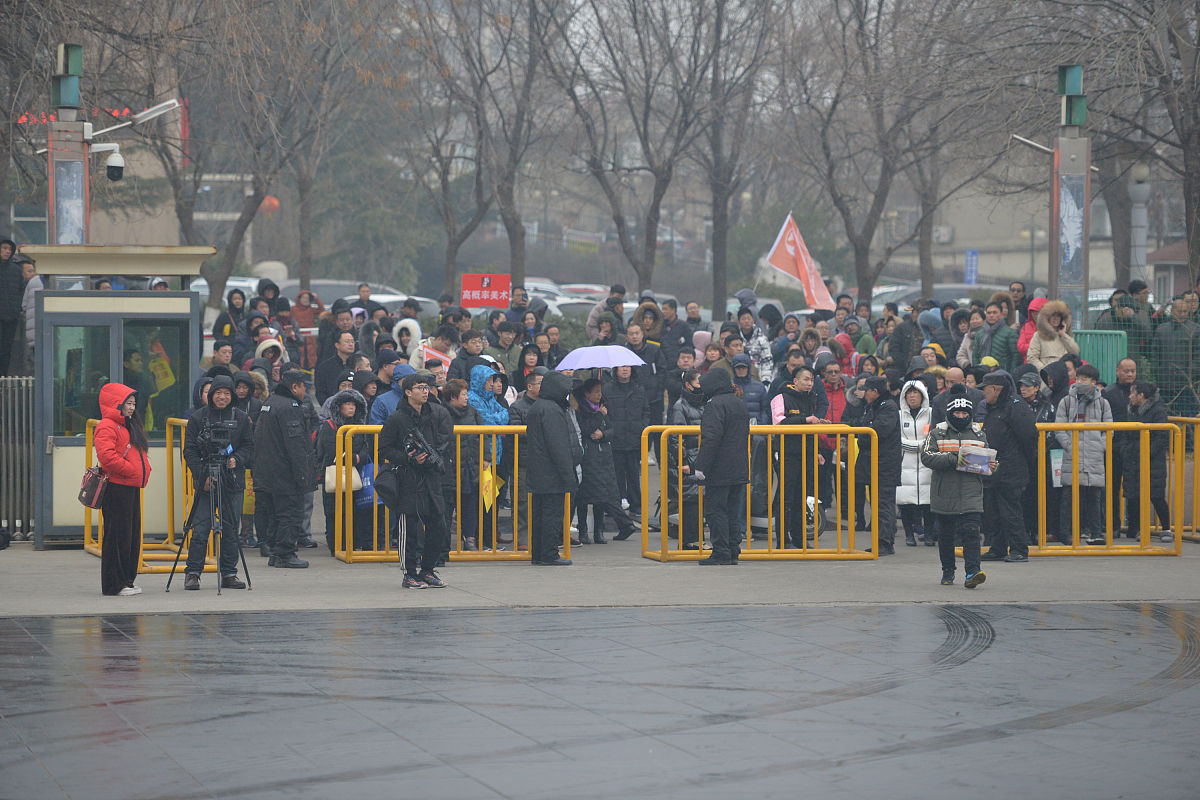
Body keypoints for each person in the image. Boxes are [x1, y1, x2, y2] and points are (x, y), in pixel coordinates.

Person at [379, 372, 450, 587]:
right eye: (420, 387)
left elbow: (446, 440)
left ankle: (427, 569)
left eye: (427, 387)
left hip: (432, 478)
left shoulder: (436, 413)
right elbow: (385, 448)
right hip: (407, 479)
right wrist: (409, 458)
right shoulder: (397, 418)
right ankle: (409, 573)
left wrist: (432, 457)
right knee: (408, 528)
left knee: (438, 524)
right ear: (408, 392)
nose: (425, 391)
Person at [182, 376, 253, 589]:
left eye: (227, 393)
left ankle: (229, 573)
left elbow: (249, 446)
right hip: (206, 480)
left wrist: (236, 459)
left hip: (232, 481)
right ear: (211, 394)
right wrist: (201, 476)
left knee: (230, 529)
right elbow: (190, 450)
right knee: (201, 527)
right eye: (218, 393)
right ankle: (193, 572)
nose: (222, 397)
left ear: (232, 396)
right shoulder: (198, 418)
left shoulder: (241, 418)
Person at [920, 385, 989, 588]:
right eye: (957, 412)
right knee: (947, 536)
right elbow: (927, 456)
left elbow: (987, 458)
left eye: (965, 412)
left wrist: (992, 465)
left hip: (971, 493)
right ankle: (948, 571)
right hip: (945, 494)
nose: (961, 416)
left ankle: (973, 573)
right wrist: (954, 458)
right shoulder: (937, 433)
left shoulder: (979, 434)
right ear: (950, 413)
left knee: (971, 533)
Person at [94, 383, 152, 596]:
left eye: (133, 403)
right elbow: (107, 457)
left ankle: (126, 580)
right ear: (115, 403)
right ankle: (113, 584)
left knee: (130, 535)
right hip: (117, 487)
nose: (131, 407)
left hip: (130, 486)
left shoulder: (127, 425)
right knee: (117, 536)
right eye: (128, 403)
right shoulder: (107, 426)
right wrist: (130, 470)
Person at [253, 370, 315, 568]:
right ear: (295, 387)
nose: (306, 391)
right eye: (304, 386)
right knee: (290, 514)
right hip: (285, 472)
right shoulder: (289, 407)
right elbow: (295, 445)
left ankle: (275, 551)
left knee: (275, 514)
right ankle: (285, 554)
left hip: (267, 471)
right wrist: (303, 474)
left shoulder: (270, 402)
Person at [977, 371, 1037, 562]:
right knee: (994, 512)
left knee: (1011, 512)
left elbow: (1029, 437)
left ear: (995, 389)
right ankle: (998, 548)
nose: (983, 393)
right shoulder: (995, 408)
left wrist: (1020, 461)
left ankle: (1019, 549)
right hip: (994, 469)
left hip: (1011, 469)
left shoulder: (1015, 407)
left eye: (985, 389)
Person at [695, 368, 749, 564]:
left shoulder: (715, 405)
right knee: (733, 510)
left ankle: (721, 551)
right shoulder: (738, 403)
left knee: (716, 510)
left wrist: (701, 466)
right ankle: (733, 550)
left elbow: (711, 437)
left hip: (719, 468)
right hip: (739, 466)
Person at [524, 371, 580, 565]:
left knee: (539, 515)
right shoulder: (552, 410)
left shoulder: (538, 407)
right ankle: (549, 554)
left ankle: (539, 554)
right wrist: (568, 475)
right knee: (552, 515)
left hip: (538, 470)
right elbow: (558, 446)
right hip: (552, 472)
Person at [1054, 364, 1112, 544]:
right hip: (1072, 455)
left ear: (1094, 382)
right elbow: (1059, 428)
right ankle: (1066, 533)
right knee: (1069, 496)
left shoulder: (1103, 403)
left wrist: (1100, 447)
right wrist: (1070, 446)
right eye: (1078, 378)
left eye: (1084, 379)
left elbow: (1109, 429)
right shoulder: (1067, 401)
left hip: (1094, 456)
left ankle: (1096, 532)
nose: (1080, 382)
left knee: (1094, 496)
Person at [573, 378, 636, 543]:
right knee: (585, 497)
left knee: (602, 496)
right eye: (596, 392)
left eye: (600, 391)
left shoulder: (603, 407)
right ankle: (583, 532)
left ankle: (599, 532)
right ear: (587, 393)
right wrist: (599, 416)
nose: (599, 395)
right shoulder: (580, 409)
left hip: (604, 457)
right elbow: (585, 429)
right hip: (588, 457)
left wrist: (603, 434)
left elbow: (611, 429)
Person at [770, 364, 823, 548]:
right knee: (785, 498)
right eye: (806, 379)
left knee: (801, 498)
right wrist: (806, 420)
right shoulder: (781, 397)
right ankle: (782, 541)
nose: (809, 384)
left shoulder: (810, 399)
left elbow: (809, 429)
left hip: (806, 454)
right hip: (787, 454)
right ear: (795, 381)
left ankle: (800, 539)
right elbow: (779, 423)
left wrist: (816, 451)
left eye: (812, 380)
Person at [316, 388, 372, 554]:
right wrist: (350, 456)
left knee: (356, 511)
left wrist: (357, 458)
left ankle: (354, 543)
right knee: (334, 512)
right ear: (339, 407)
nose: (351, 408)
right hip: (335, 475)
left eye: (353, 404)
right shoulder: (329, 426)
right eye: (347, 404)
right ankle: (336, 545)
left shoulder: (361, 427)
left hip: (357, 475)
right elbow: (329, 449)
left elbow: (366, 448)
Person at [1120, 380, 1172, 542]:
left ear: (1141, 395)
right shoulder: (1131, 411)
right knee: (1134, 496)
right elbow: (1125, 434)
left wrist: (1147, 453)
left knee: (1155, 495)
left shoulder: (1157, 411)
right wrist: (1126, 451)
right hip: (1133, 459)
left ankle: (1166, 528)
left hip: (1152, 462)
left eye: (1132, 393)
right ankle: (1136, 529)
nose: (1130, 396)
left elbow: (1161, 436)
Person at [856, 375, 901, 554]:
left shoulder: (888, 407)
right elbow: (863, 426)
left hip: (885, 464)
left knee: (884, 504)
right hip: (876, 463)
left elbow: (878, 431)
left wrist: (864, 434)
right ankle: (882, 540)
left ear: (874, 391)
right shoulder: (875, 407)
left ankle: (885, 542)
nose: (864, 394)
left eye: (866, 390)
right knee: (878, 503)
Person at [666, 369, 705, 548]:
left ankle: (697, 540)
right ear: (688, 385)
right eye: (698, 382)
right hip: (687, 462)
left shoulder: (704, 403)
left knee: (699, 500)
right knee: (690, 501)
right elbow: (675, 437)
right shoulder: (679, 406)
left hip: (700, 459)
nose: (702, 386)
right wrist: (682, 462)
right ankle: (690, 542)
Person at [604, 365, 648, 515]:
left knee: (634, 475)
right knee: (617, 474)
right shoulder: (607, 389)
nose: (625, 370)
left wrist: (641, 427)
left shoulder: (639, 389)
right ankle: (618, 504)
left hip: (634, 438)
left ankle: (636, 506)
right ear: (615, 370)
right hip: (615, 439)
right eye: (621, 367)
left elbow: (646, 411)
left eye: (627, 367)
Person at [897, 380, 933, 547]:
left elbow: (932, 436)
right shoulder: (899, 415)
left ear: (922, 395)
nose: (912, 396)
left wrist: (921, 446)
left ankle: (929, 534)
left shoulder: (931, 414)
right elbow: (897, 438)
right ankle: (909, 534)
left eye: (916, 392)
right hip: (905, 463)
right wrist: (916, 445)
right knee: (906, 502)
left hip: (927, 462)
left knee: (928, 502)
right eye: (909, 393)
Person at [1026, 299, 1080, 370]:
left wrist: (1064, 335)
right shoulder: (1038, 335)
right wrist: (1044, 370)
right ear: (1047, 318)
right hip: (1046, 376)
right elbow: (1032, 357)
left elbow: (1075, 352)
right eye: (1053, 316)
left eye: (1058, 316)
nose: (1055, 318)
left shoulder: (1065, 335)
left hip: (1063, 374)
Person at [972, 302, 1019, 371]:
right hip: (982, 374)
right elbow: (975, 356)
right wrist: (977, 371)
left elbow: (1016, 357)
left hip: (1003, 374)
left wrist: (1011, 374)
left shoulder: (1010, 333)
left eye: (994, 312)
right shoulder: (980, 333)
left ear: (1001, 314)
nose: (991, 315)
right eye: (989, 313)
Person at [315, 330, 358, 403]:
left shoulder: (357, 363)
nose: (351, 344)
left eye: (352, 341)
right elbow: (320, 392)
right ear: (337, 345)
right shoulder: (325, 367)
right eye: (347, 341)